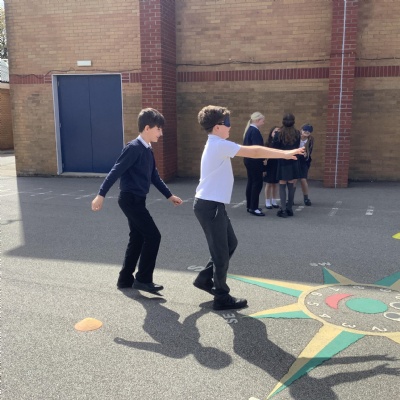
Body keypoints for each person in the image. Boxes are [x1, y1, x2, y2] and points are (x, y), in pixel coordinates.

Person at [193, 105, 304, 310]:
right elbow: (254, 151)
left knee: (230, 244)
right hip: (209, 206)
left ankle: (204, 278)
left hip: (213, 205)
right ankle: (221, 297)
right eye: (227, 123)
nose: (230, 126)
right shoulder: (218, 144)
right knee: (220, 253)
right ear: (217, 127)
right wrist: (284, 153)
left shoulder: (217, 143)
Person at [91, 108, 183, 293]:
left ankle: (125, 279)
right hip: (130, 200)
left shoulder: (147, 149)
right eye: (158, 129)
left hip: (137, 200)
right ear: (147, 128)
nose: (161, 133)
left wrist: (169, 195)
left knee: (138, 237)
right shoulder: (133, 148)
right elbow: (115, 171)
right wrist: (101, 194)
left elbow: (154, 176)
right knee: (153, 236)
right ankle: (143, 279)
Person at [273, 113, 300, 218]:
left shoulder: (278, 134)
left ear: (283, 122)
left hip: (282, 160)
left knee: (282, 184)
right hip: (293, 160)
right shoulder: (297, 133)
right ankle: (290, 209)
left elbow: (275, 148)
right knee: (291, 184)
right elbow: (297, 147)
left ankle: (283, 209)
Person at [242, 112, 266, 216]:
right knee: (257, 183)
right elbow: (257, 148)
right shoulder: (255, 131)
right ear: (257, 120)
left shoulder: (249, 130)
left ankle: (250, 205)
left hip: (249, 160)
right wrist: (263, 159)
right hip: (255, 161)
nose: (263, 123)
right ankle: (254, 207)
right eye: (262, 121)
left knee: (251, 182)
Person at [296, 123, 315, 206]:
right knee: (293, 180)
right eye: (305, 130)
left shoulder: (310, 140)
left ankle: (306, 198)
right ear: (301, 130)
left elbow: (309, 151)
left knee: (303, 179)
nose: (306, 132)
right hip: (295, 159)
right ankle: (290, 198)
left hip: (304, 161)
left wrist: (306, 154)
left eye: (309, 131)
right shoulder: (296, 138)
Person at [263, 126, 280, 209]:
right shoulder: (268, 143)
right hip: (269, 164)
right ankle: (267, 201)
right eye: (275, 132)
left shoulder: (280, 143)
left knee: (275, 184)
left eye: (278, 132)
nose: (276, 134)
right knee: (269, 183)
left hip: (277, 164)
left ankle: (274, 200)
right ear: (271, 133)